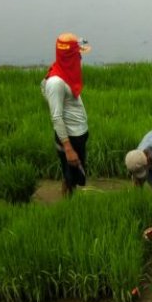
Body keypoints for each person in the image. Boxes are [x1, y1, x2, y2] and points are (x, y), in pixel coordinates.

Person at [41, 32, 91, 197]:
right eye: (77, 55)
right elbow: (56, 117)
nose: (80, 58)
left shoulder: (68, 72)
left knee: (77, 177)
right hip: (70, 138)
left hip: (79, 133)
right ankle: (68, 205)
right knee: (70, 177)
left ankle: (70, 198)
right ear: (70, 57)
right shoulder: (56, 82)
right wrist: (68, 148)